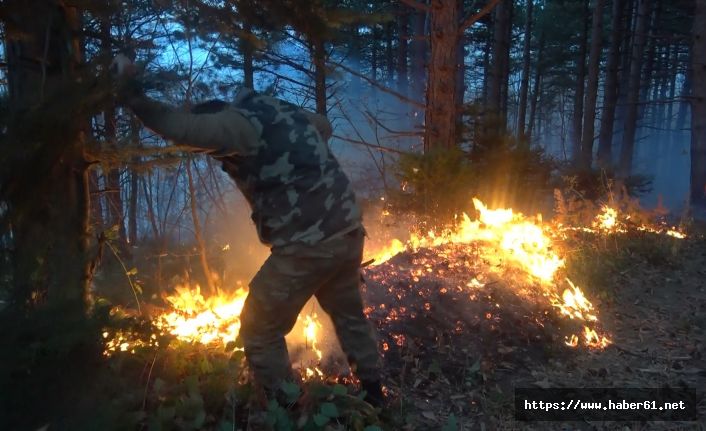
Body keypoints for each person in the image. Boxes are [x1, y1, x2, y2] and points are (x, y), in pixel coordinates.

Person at [110, 55, 384, 407]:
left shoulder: (236, 127)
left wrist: (132, 97)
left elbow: (183, 130)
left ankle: (284, 410)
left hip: (308, 246)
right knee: (348, 315)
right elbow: (322, 125)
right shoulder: (276, 112)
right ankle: (375, 397)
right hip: (347, 232)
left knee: (259, 328)